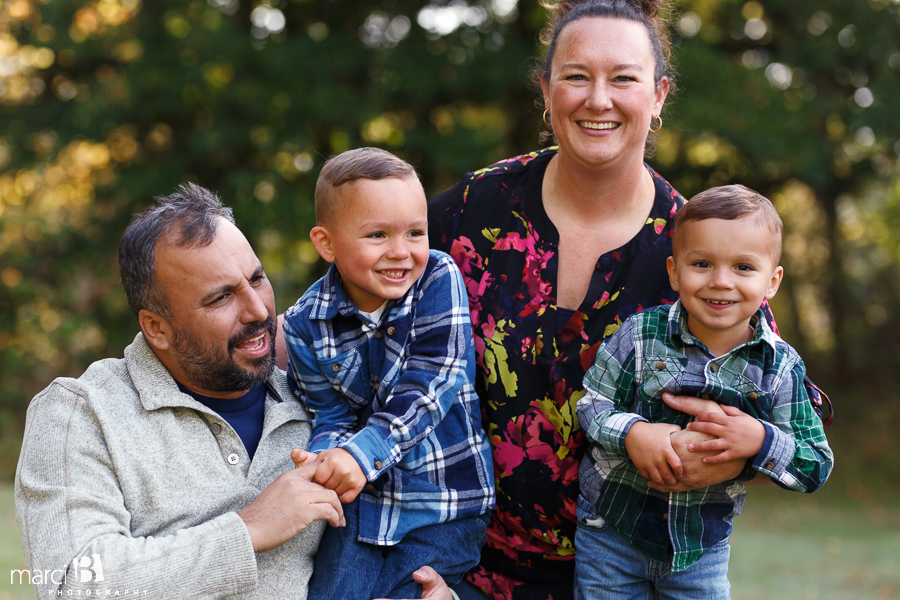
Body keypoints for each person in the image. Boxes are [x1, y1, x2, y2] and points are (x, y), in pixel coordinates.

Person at [427, 1, 830, 599]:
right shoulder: (471, 212)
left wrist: (736, 449)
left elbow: (790, 415)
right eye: (576, 76)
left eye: (623, 77)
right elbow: (366, 326)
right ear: (546, 89)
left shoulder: (701, 249)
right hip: (462, 571)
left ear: (659, 94)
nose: (598, 99)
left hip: (629, 571)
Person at [14, 184, 458, 600]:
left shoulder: (327, 395)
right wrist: (249, 529)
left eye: (257, 279)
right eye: (220, 298)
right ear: (157, 328)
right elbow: (71, 581)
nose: (258, 309)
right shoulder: (83, 412)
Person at [574, 185, 834, 599]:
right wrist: (633, 432)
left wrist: (759, 441)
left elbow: (815, 463)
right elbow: (592, 403)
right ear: (675, 272)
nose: (720, 281)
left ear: (772, 280)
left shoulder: (779, 367)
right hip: (612, 529)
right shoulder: (641, 335)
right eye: (702, 263)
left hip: (701, 547)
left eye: (744, 267)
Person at [282, 147, 495, 599]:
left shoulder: (438, 278)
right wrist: (325, 462)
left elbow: (433, 383)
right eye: (377, 235)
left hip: (445, 503)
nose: (401, 252)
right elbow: (330, 416)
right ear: (327, 243)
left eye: (415, 232)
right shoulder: (304, 324)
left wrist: (360, 455)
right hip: (364, 506)